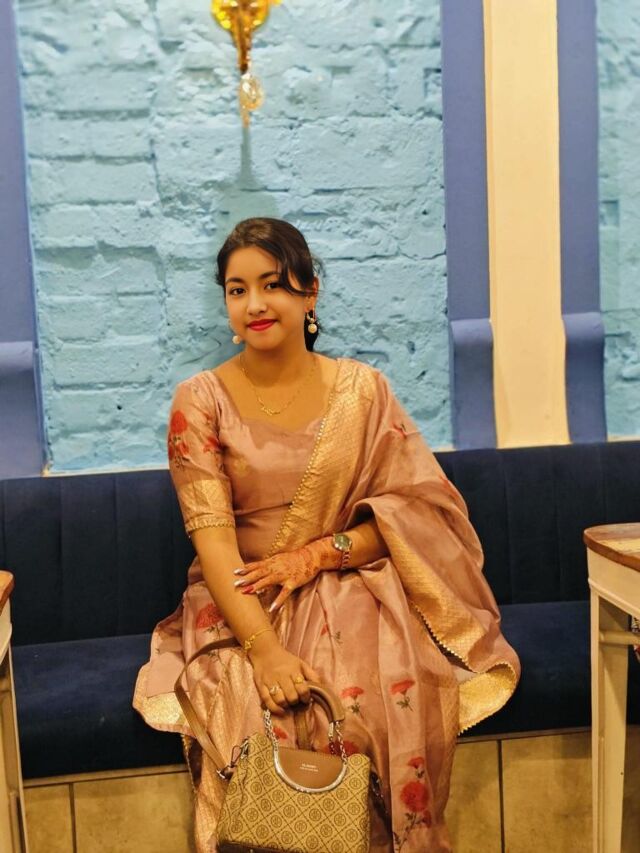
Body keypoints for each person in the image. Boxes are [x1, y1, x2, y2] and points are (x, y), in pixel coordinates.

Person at [133, 217, 520, 852]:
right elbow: (215, 546)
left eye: (273, 284)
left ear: (310, 292)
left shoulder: (363, 392)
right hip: (243, 597)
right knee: (260, 711)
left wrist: (320, 554)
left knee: (373, 701)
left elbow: (414, 514)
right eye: (236, 290)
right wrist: (265, 651)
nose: (254, 304)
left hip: (351, 586)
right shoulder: (199, 402)